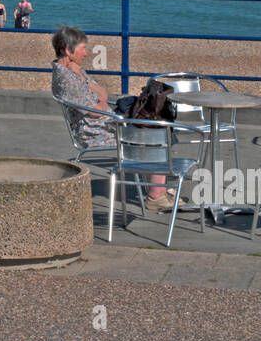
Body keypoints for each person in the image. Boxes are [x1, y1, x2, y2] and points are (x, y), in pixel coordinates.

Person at [50, 26, 175, 210]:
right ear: (69, 50)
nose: (86, 53)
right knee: (156, 130)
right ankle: (156, 196)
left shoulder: (74, 71)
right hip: (95, 131)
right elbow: (96, 111)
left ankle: (158, 189)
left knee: (156, 120)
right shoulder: (67, 79)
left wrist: (95, 93)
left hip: (104, 121)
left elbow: (103, 93)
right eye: (83, 49)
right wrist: (100, 102)